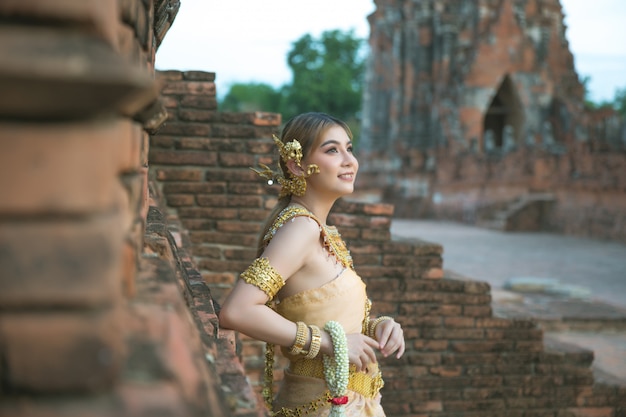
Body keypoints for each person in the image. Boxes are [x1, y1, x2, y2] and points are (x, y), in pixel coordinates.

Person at [219, 112, 405, 417]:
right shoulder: (301, 228)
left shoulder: (322, 231)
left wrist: (378, 326)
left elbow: (326, 313)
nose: (349, 160)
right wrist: (330, 342)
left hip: (352, 401)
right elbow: (237, 310)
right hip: (319, 406)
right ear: (297, 165)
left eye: (350, 148)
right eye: (332, 150)